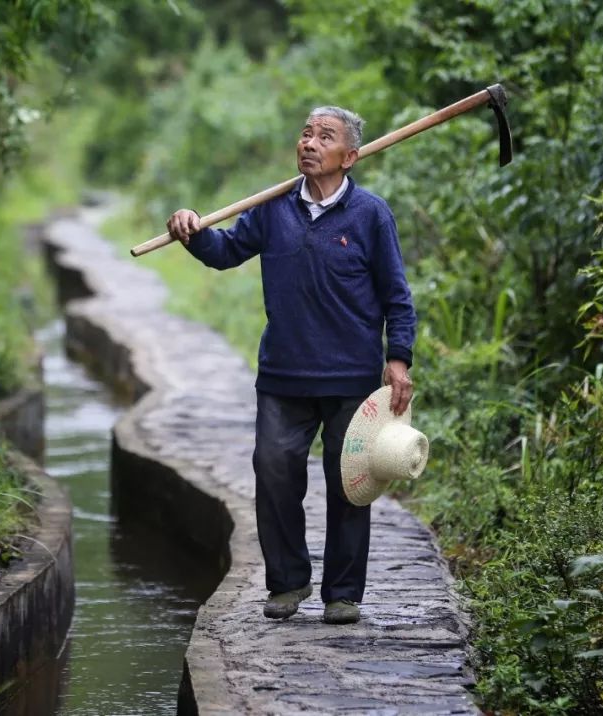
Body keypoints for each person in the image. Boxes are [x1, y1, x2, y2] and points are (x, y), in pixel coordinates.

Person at [165, 106, 416, 624]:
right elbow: (226, 250)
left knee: (350, 483)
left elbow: (397, 296)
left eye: (325, 137)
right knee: (273, 469)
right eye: (306, 133)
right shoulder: (273, 209)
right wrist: (192, 231)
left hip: (351, 377)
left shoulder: (371, 215)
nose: (309, 142)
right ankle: (287, 582)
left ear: (349, 157)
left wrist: (398, 359)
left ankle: (343, 593)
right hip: (284, 375)